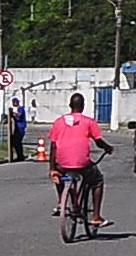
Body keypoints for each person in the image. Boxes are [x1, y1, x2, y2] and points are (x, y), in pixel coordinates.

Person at [44, 89, 110, 225]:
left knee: (58, 175)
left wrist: (52, 168)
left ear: (70, 105)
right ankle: (96, 216)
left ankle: (62, 201)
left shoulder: (59, 122)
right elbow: (98, 141)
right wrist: (108, 148)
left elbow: (53, 146)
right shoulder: (89, 122)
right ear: (83, 106)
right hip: (82, 163)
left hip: (62, 163)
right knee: (97, 181)